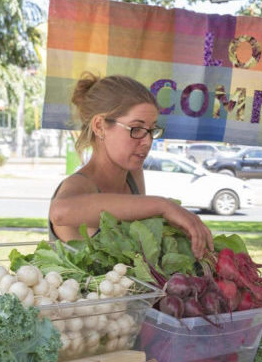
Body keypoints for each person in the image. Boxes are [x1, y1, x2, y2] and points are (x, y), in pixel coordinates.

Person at [49, 72, 213, 257]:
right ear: (100, 126)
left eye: (151, 130)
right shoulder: (80, 184)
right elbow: (60, 212)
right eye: (136, 129)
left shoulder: (133, 174)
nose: (147, 141)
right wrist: (163, 206)